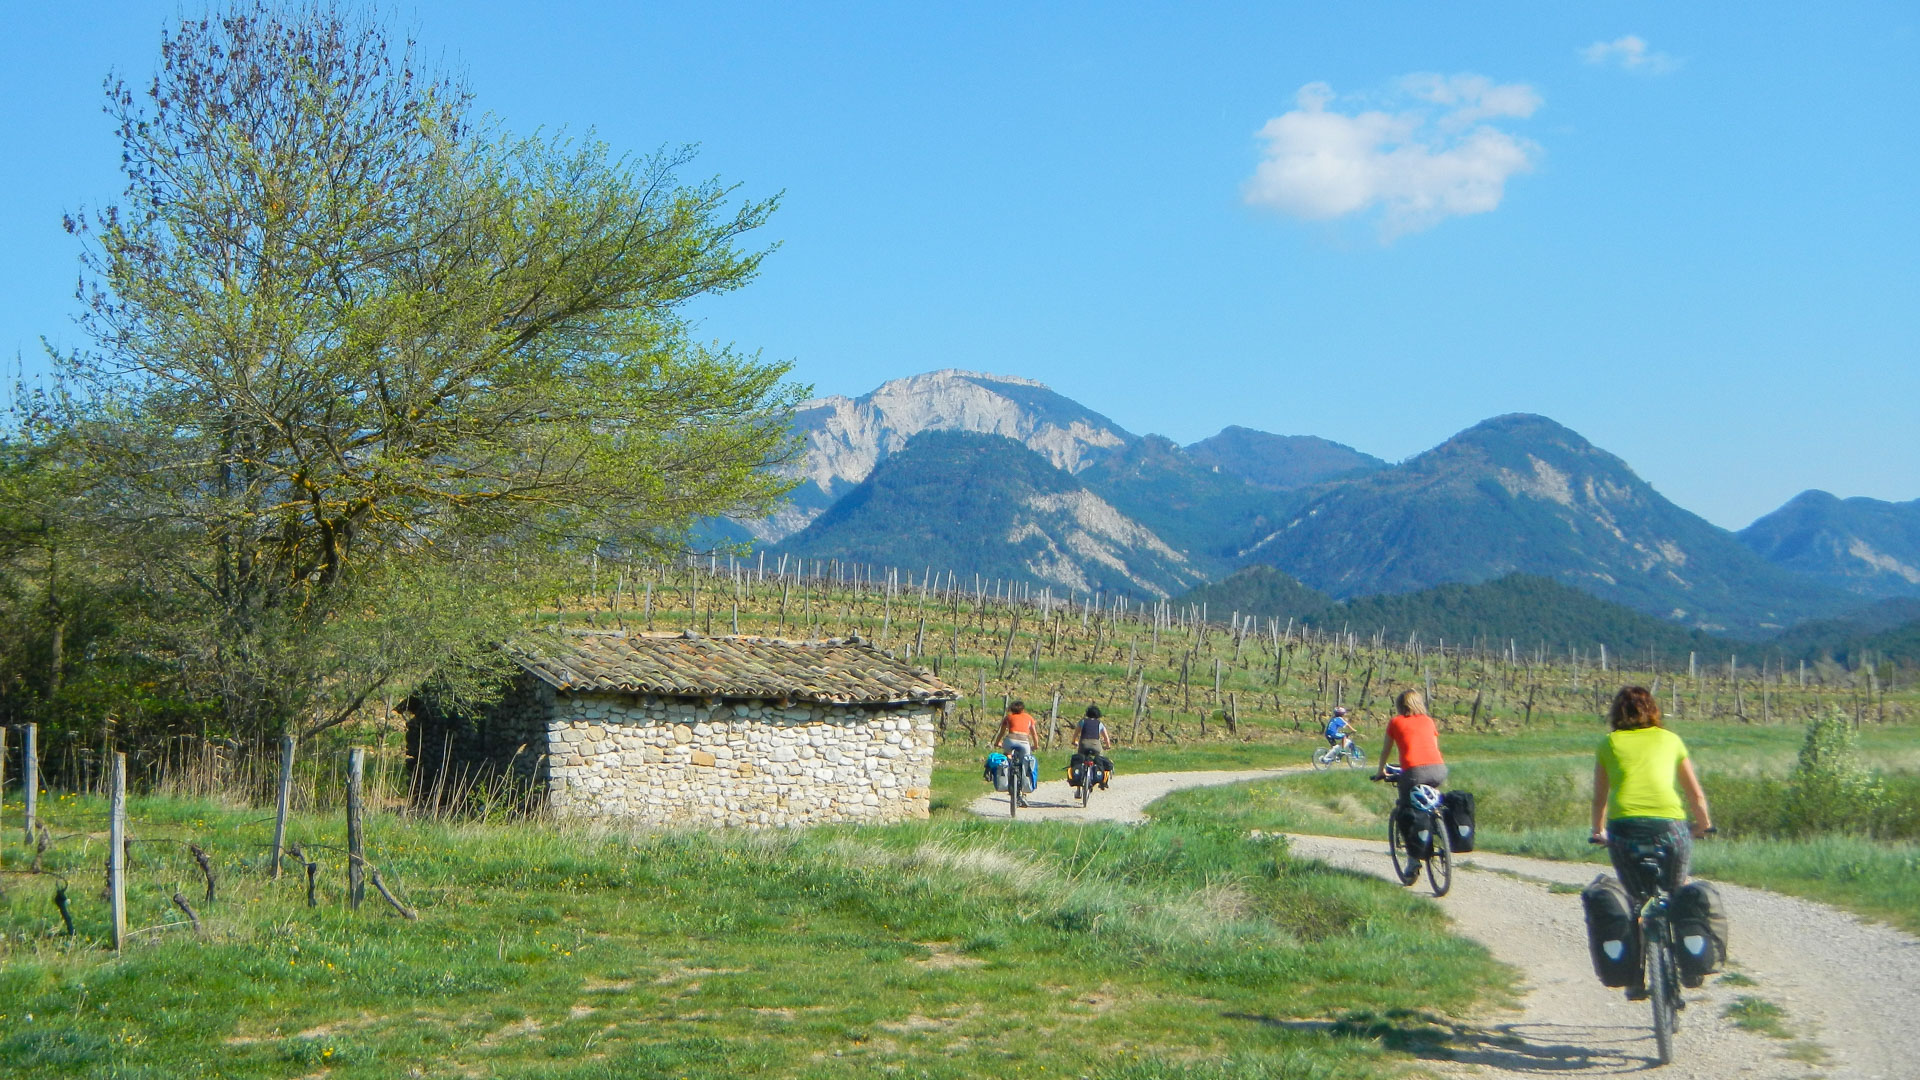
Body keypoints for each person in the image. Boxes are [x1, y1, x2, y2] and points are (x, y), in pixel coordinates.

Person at [1590, 686, 1713, 900]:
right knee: (1677, 891)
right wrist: (1703, 825)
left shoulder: (1608, 743)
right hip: (1669, 825)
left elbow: (1600, 799)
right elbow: (1696, 795)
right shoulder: (1671, 740)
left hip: (1624, 827)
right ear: (1653, 710)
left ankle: (1638, 925)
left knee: (1635, 898)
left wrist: (1598, 831)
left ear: (1616, 712)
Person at [1372, 689, 1445, 806]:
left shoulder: (1396, 722)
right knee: (1434, 801)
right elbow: (1435, 747)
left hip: (1414, 772)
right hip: (1439, 770)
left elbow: (1386, 750)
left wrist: (1381, 771)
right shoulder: (1428, 721)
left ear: (1400, 706)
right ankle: (1439, 816)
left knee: (1406, 805)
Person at [996, 699, 1040, 802]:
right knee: (1025, 763)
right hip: (1024, 742)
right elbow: (1034, 734)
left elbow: (1001, 732)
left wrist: (997, 742)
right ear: (1023, 709)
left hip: (1010, 740)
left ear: (1011, 709)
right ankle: (1023, 793)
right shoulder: (1029, 718)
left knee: (1008, 755)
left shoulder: (1008, 717)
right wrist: (1036, 745)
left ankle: (1008, 773)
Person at [1072, 705, 1113, 790]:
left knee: (1080, 760)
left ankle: (1079, 787)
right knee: (1100, 759)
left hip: (1083, 744)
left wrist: (1074, 741)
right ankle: (1102, 781)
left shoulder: (1082, 721)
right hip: (1096, 745)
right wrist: (1107, 746)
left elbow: (1076, 734)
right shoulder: (1099, 724)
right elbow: (1106, 738)